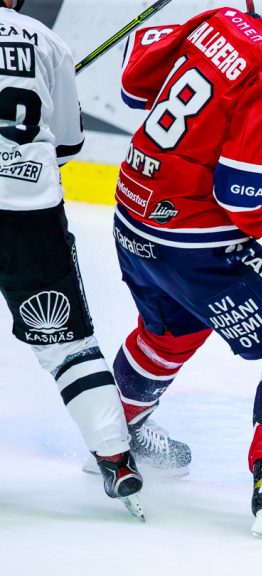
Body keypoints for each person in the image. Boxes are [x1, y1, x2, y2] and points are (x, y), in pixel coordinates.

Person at [111, 0, 262, 537]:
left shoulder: (220, 20)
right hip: (193, 242)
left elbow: (134, 81)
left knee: (172, 330)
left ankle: (112, 439)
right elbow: (241, 196)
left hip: (132, 215)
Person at [0, 0, 143, 519]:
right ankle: (115, 459)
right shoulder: (46, 41)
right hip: (30, 213)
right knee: (68, 346)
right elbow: (67, 142)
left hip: (28, 210)